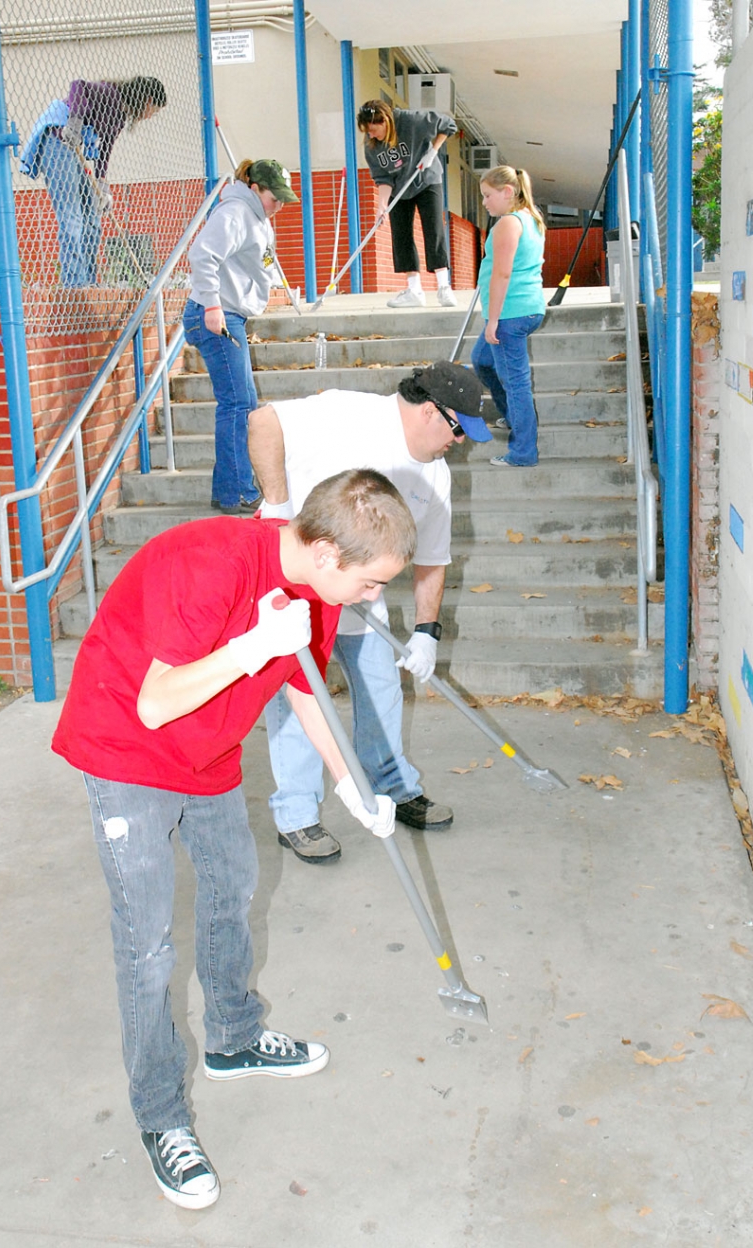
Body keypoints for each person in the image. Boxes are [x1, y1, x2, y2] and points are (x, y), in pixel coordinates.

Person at [52, 469, 416, 1210]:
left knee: (231, 891)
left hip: (209, 755)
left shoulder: (311, 593)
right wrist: (254, 646)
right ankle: (161, 1116)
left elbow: (304, 684)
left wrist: (352, 787)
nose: (375, 597)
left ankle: (234, 1036)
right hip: (127, 752)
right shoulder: (208, 563)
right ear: (327, 556)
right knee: (148, 945)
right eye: (372, 583)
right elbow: (155, 704)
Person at [247, 361, 489, 864]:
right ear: (430, 412)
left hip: (359, 598)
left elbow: (432, 559)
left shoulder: (435, 476)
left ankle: (394, 788)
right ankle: (297, 817)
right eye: (459, 429)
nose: (460, 442)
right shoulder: (349, 413)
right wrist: (276, 508)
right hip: (297, 591)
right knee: (296, 704)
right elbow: (262, 421)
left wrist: (427, 631)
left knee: (380, 690)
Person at [184, 158, 298, 514]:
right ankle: (237, 492)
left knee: (243, 404)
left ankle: (228, 489)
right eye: (273, 197)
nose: (278, 205)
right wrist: (213, 307)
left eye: (282, 199)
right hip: (217, 316)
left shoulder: (257, 219)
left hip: (230, 315)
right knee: (237, 405)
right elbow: (201, 254)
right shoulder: (234, 213)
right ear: (254, 189)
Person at [20, 76, 166, 287]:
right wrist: (75, 123)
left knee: (92, 220)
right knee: (73, 217)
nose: (151, 116)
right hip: (58, 141)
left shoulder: (119, 116)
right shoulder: (110, 94)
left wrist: (102, 187)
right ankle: (74, 284)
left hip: (73, 148)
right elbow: (78, 85)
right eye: (155, 110)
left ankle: (89, 281)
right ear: (148, 101)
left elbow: (104, 151)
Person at [470, 165, 547, 468]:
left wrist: (492, 321)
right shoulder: (531, 219)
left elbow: (502, 274)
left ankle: (523, 452)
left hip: (509, 313)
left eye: (488, 196)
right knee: (483, 360)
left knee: (516, 383)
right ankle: (512, 415)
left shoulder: (508, 224)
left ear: (507, 192)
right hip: (523, 309)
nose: (485, 202)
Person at [357, 99, 458, 309]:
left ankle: (443, 287)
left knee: (434, 230)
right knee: (401, 235)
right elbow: (383, 178)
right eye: (367, 131)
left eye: (374, 130)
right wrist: (381, 206)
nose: (371, 135)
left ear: (385, 121)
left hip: (427, 179)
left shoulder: (411, 121)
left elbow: (448, 125)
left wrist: (433, 151)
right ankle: (414, 290)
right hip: (399, 188)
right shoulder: (372, 147)